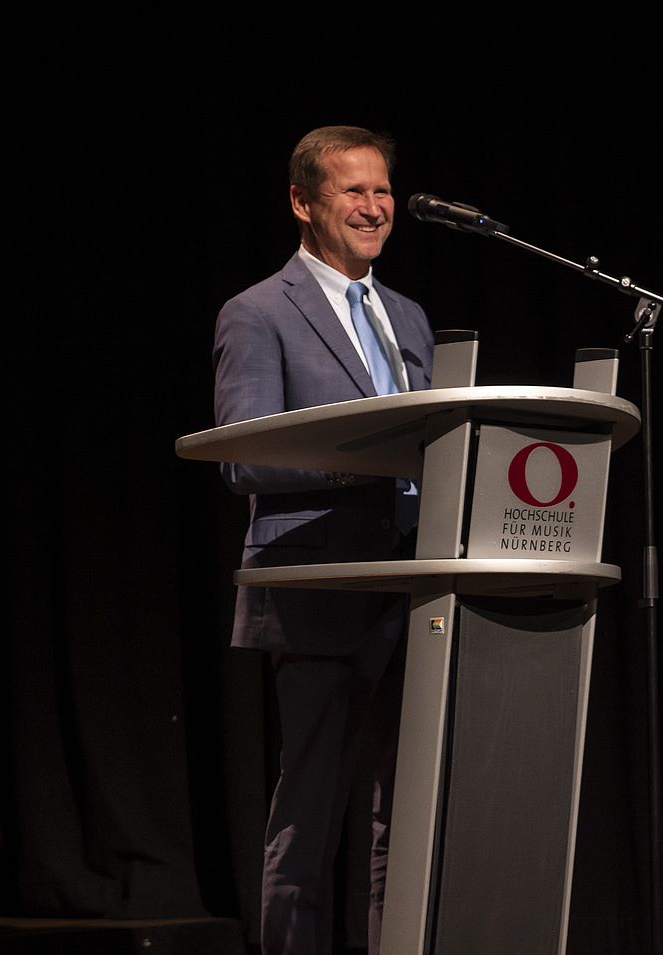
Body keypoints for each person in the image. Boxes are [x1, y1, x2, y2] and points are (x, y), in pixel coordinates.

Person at [212, 125, 434, 955]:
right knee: (306, 825)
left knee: (404, 827)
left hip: (415, 592)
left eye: (382, 190)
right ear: (303, 203)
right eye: (353, 191)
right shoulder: (258, 311)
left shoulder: (408, 315)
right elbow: (242, 454)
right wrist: (365, 463)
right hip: (316, 593)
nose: (374, 207)